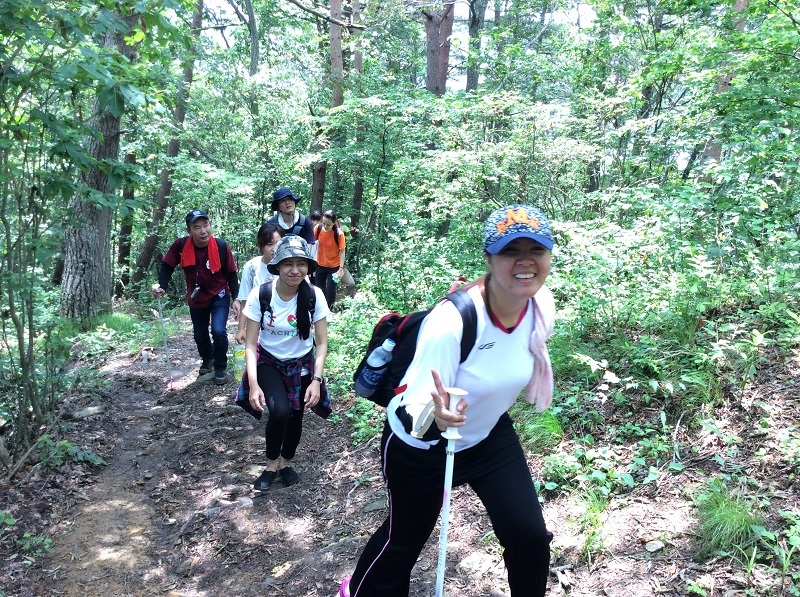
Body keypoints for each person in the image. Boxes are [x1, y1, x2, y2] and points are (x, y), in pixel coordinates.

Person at [339, 204, 557, 597]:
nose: (525, 263)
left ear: (549, 255)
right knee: (402, 543)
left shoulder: (541, 307)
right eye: (511, 251)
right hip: (421, 445)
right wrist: (437, 416)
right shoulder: (452, 320)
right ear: (489, 258)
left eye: (536, 250)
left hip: (487, 435)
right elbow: (410, 406)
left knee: (528, 536)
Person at [240, 235, 331, 490]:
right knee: (280, 411)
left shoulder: (315, 295)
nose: (295, 270)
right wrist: (254, 385)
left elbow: (321, 343)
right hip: (269, 362)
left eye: (301, 264)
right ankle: (271, 464)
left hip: (301, 364)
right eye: (288, 264)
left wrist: (316, 380)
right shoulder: (263, 294)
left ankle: (287, 463)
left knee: (297, 415)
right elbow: (250, 344)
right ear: (277, 266)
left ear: (308, 267)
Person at [152, 210, 240, 386]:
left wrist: (236, 298)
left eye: (205, 225)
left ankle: (220, 366)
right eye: (197, 227)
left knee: (218, 331)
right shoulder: (181, 246)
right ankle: (208, 359)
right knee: (200, 334)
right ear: (189, 230)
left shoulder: (221, 246)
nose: (203, 231)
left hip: (219, 295)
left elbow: (231, 274)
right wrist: (161, 286)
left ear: (210, 225)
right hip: (196, 297)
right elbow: (167, 266)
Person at [234, 223, 284, 344]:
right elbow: (246, 299)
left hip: (286, 323)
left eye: (278, 243)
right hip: (259, 324)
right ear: (261, 246)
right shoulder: (251, 267)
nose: (274, 248)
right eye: (269, 244)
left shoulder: (291, 265)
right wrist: (241, 329)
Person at [313, 210, 347, 310]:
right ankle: (320, 308)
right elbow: (311, 242)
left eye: (328, 224)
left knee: (330, 289)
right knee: (319, 289)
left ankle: (329, 310)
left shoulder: (339, 234)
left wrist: (341, 268)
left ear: (334, 223)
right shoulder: (318, 229)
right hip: (320, 264)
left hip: (334, 266)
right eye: (324, 223)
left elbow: (342, 251)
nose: (326, 226)